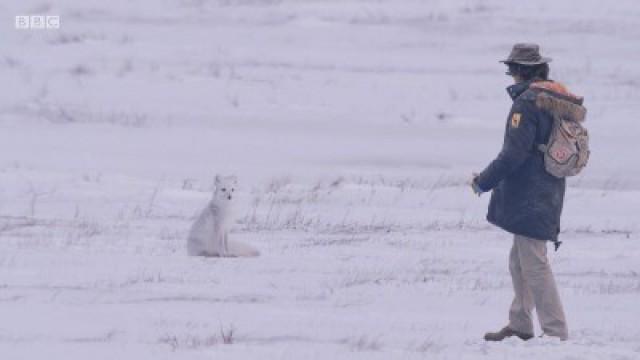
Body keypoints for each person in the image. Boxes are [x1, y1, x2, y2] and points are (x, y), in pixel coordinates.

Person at [471, 43, 585, 342]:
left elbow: (512, 154)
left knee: (534, 263)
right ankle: (520, 324)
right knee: (519, 260)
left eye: (511, 70)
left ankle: (556, 331)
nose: (510, 75)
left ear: (521, 71)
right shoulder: (558, 99)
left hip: (529, 192)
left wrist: (482, 181)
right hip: (550, 187)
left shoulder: (526, 103)